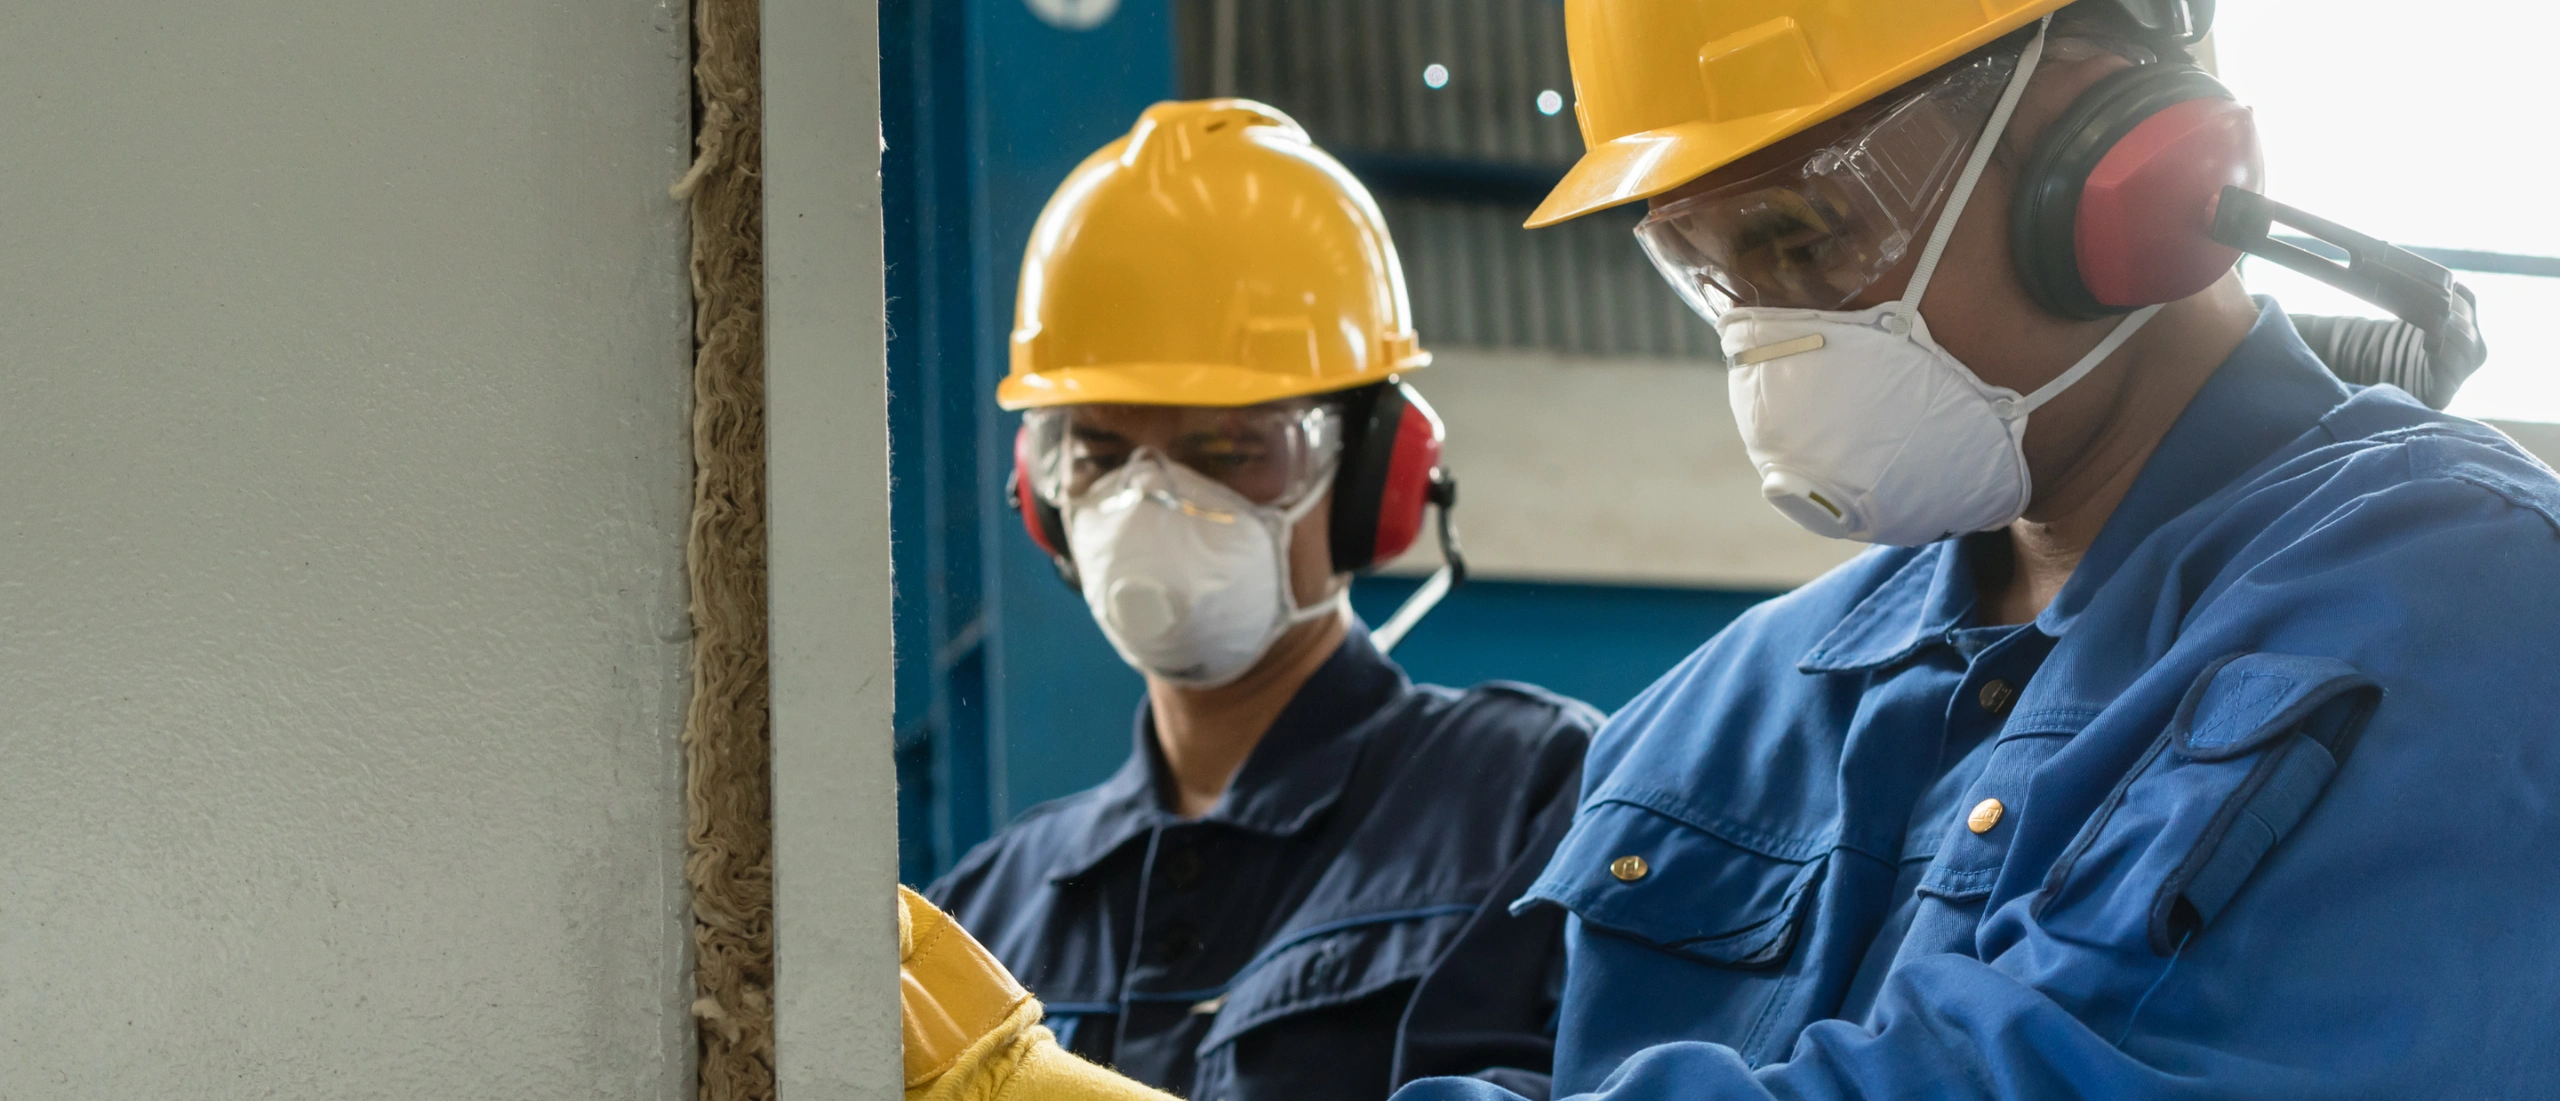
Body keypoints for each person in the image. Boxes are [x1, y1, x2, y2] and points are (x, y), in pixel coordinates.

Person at [905, 1, 2560, 1097]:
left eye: (1806, 236)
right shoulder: (1723, 717)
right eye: (1709, 266)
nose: (1768, 332)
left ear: (2125, 165)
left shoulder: (2455, 612)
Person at [923, 99, 1599, 1101]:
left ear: (1378, 477)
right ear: (1041, 496)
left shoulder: (1533, 799)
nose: (1148, 502)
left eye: (1229, 451)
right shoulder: (985, 909)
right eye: (1098, 454)